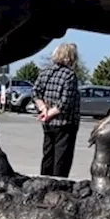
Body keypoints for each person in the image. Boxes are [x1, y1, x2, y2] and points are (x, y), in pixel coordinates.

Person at [32, 42, 81, 178]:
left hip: (48, 124)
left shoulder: (45, 72)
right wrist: (50, 114)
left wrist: (43, 110)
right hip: (65, 123)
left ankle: (43, 181)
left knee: (47, 155)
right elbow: (65, 102)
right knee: (62, 159)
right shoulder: (69, 75)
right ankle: (58, 186)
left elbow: (35, 92)